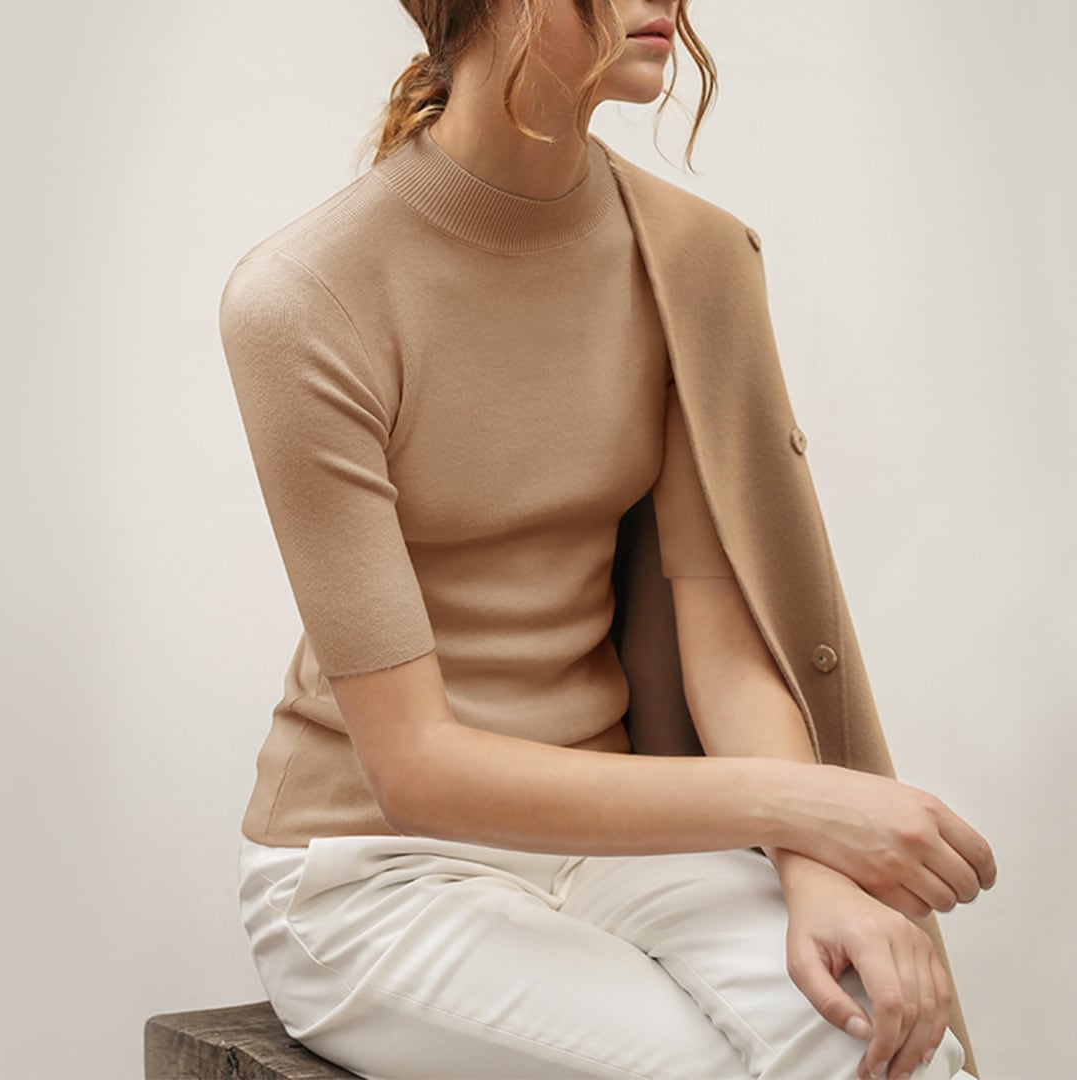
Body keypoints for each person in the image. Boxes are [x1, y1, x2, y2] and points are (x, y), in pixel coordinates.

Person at [220, 2, 997, 1077]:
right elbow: (417, 770)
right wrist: (816, 806)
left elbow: (725, 648)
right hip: (376, 872)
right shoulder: (306, 298)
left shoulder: (691, 257)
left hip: (619, 842)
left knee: (890, 1055)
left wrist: (816, 870)